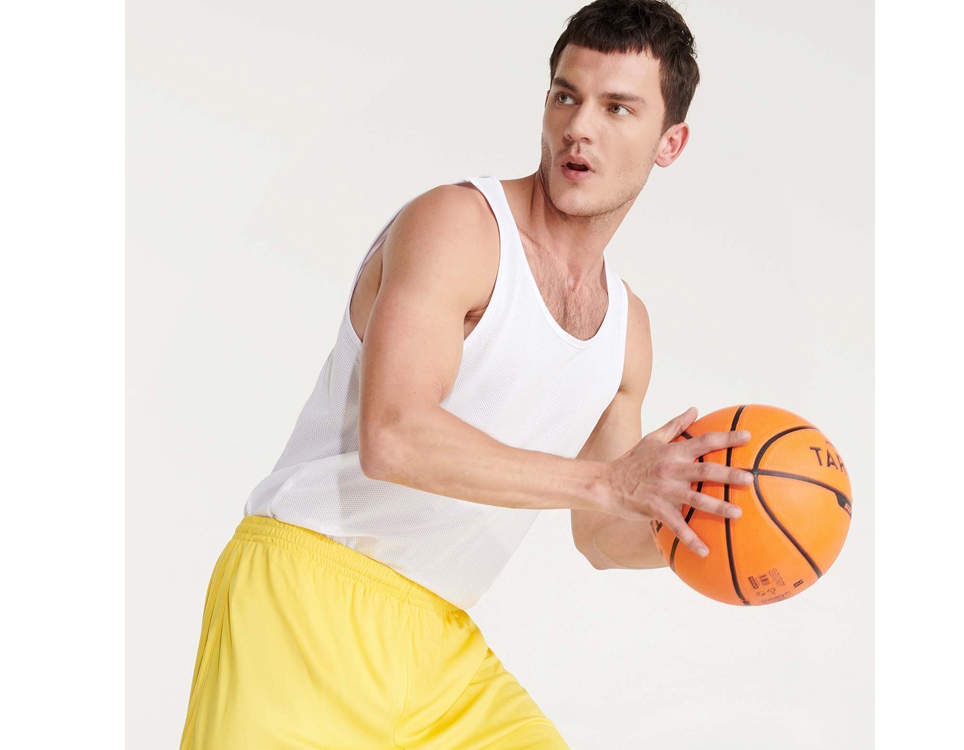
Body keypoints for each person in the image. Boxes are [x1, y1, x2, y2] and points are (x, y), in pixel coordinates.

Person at [179, 1, 753, 747]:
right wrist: (610, 482)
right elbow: (396, 437)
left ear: (670, 142)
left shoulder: (626, 331)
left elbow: (603, 535)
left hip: (439, 640)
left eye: (617, 108)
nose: (579, 127)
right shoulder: (460, 227)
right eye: (566, 96)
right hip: (303, 593)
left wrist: (720, 534)